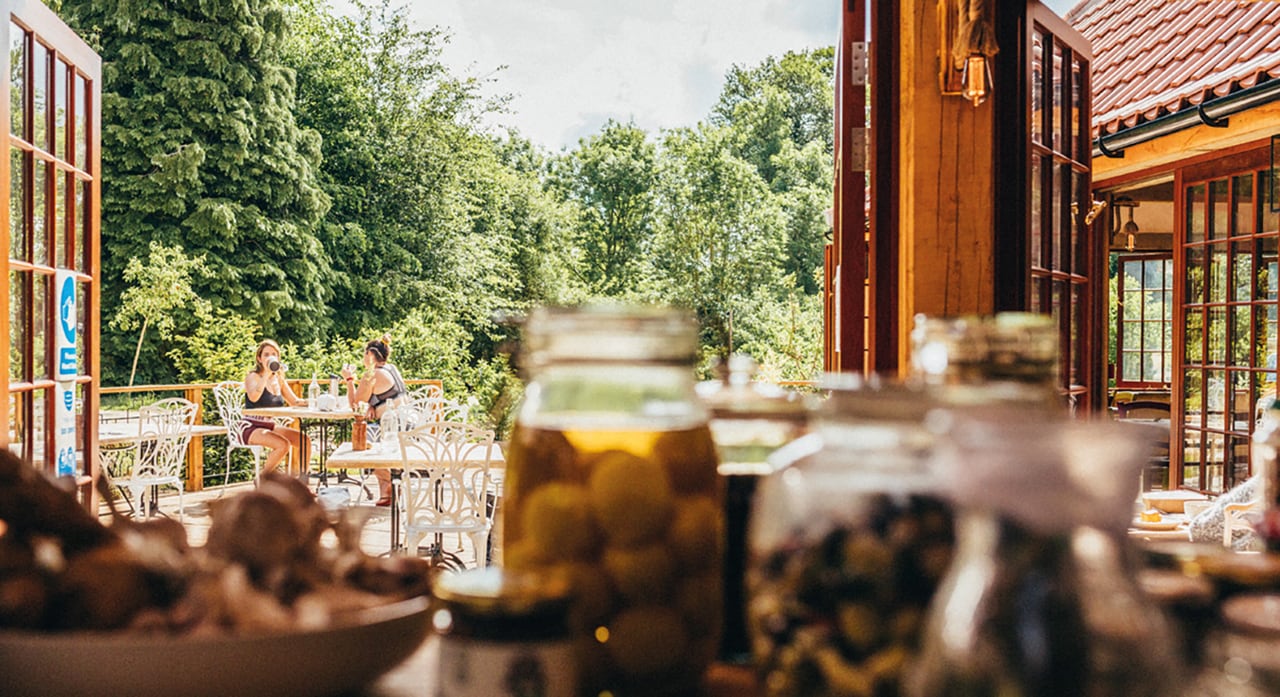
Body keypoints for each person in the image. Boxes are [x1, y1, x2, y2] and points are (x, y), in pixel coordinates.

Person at [342, 334, 408, 506]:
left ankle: (397, 483)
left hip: (392, 428)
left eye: (364, 354)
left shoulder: (371, 374)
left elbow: (355, 406)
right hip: (408, 423)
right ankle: (387, 494)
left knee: (363, 447)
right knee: (370, 435)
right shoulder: (392, 368)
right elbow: (381, 396)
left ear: (370, 355)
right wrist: (372, 404)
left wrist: (349, 380)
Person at [242, 339, 310, 478]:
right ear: (259, 358)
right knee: (283, 445)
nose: (270, 357)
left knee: (304, 440)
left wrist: (314, 401)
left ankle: (303, 482)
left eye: (273, 354)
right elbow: (254, 397)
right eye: (266, 354)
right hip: (250, 426)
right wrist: (266, 373)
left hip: (269, 425)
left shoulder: (278, 379)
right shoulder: (252, 376)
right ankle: (262, 480)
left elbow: (295, 401)